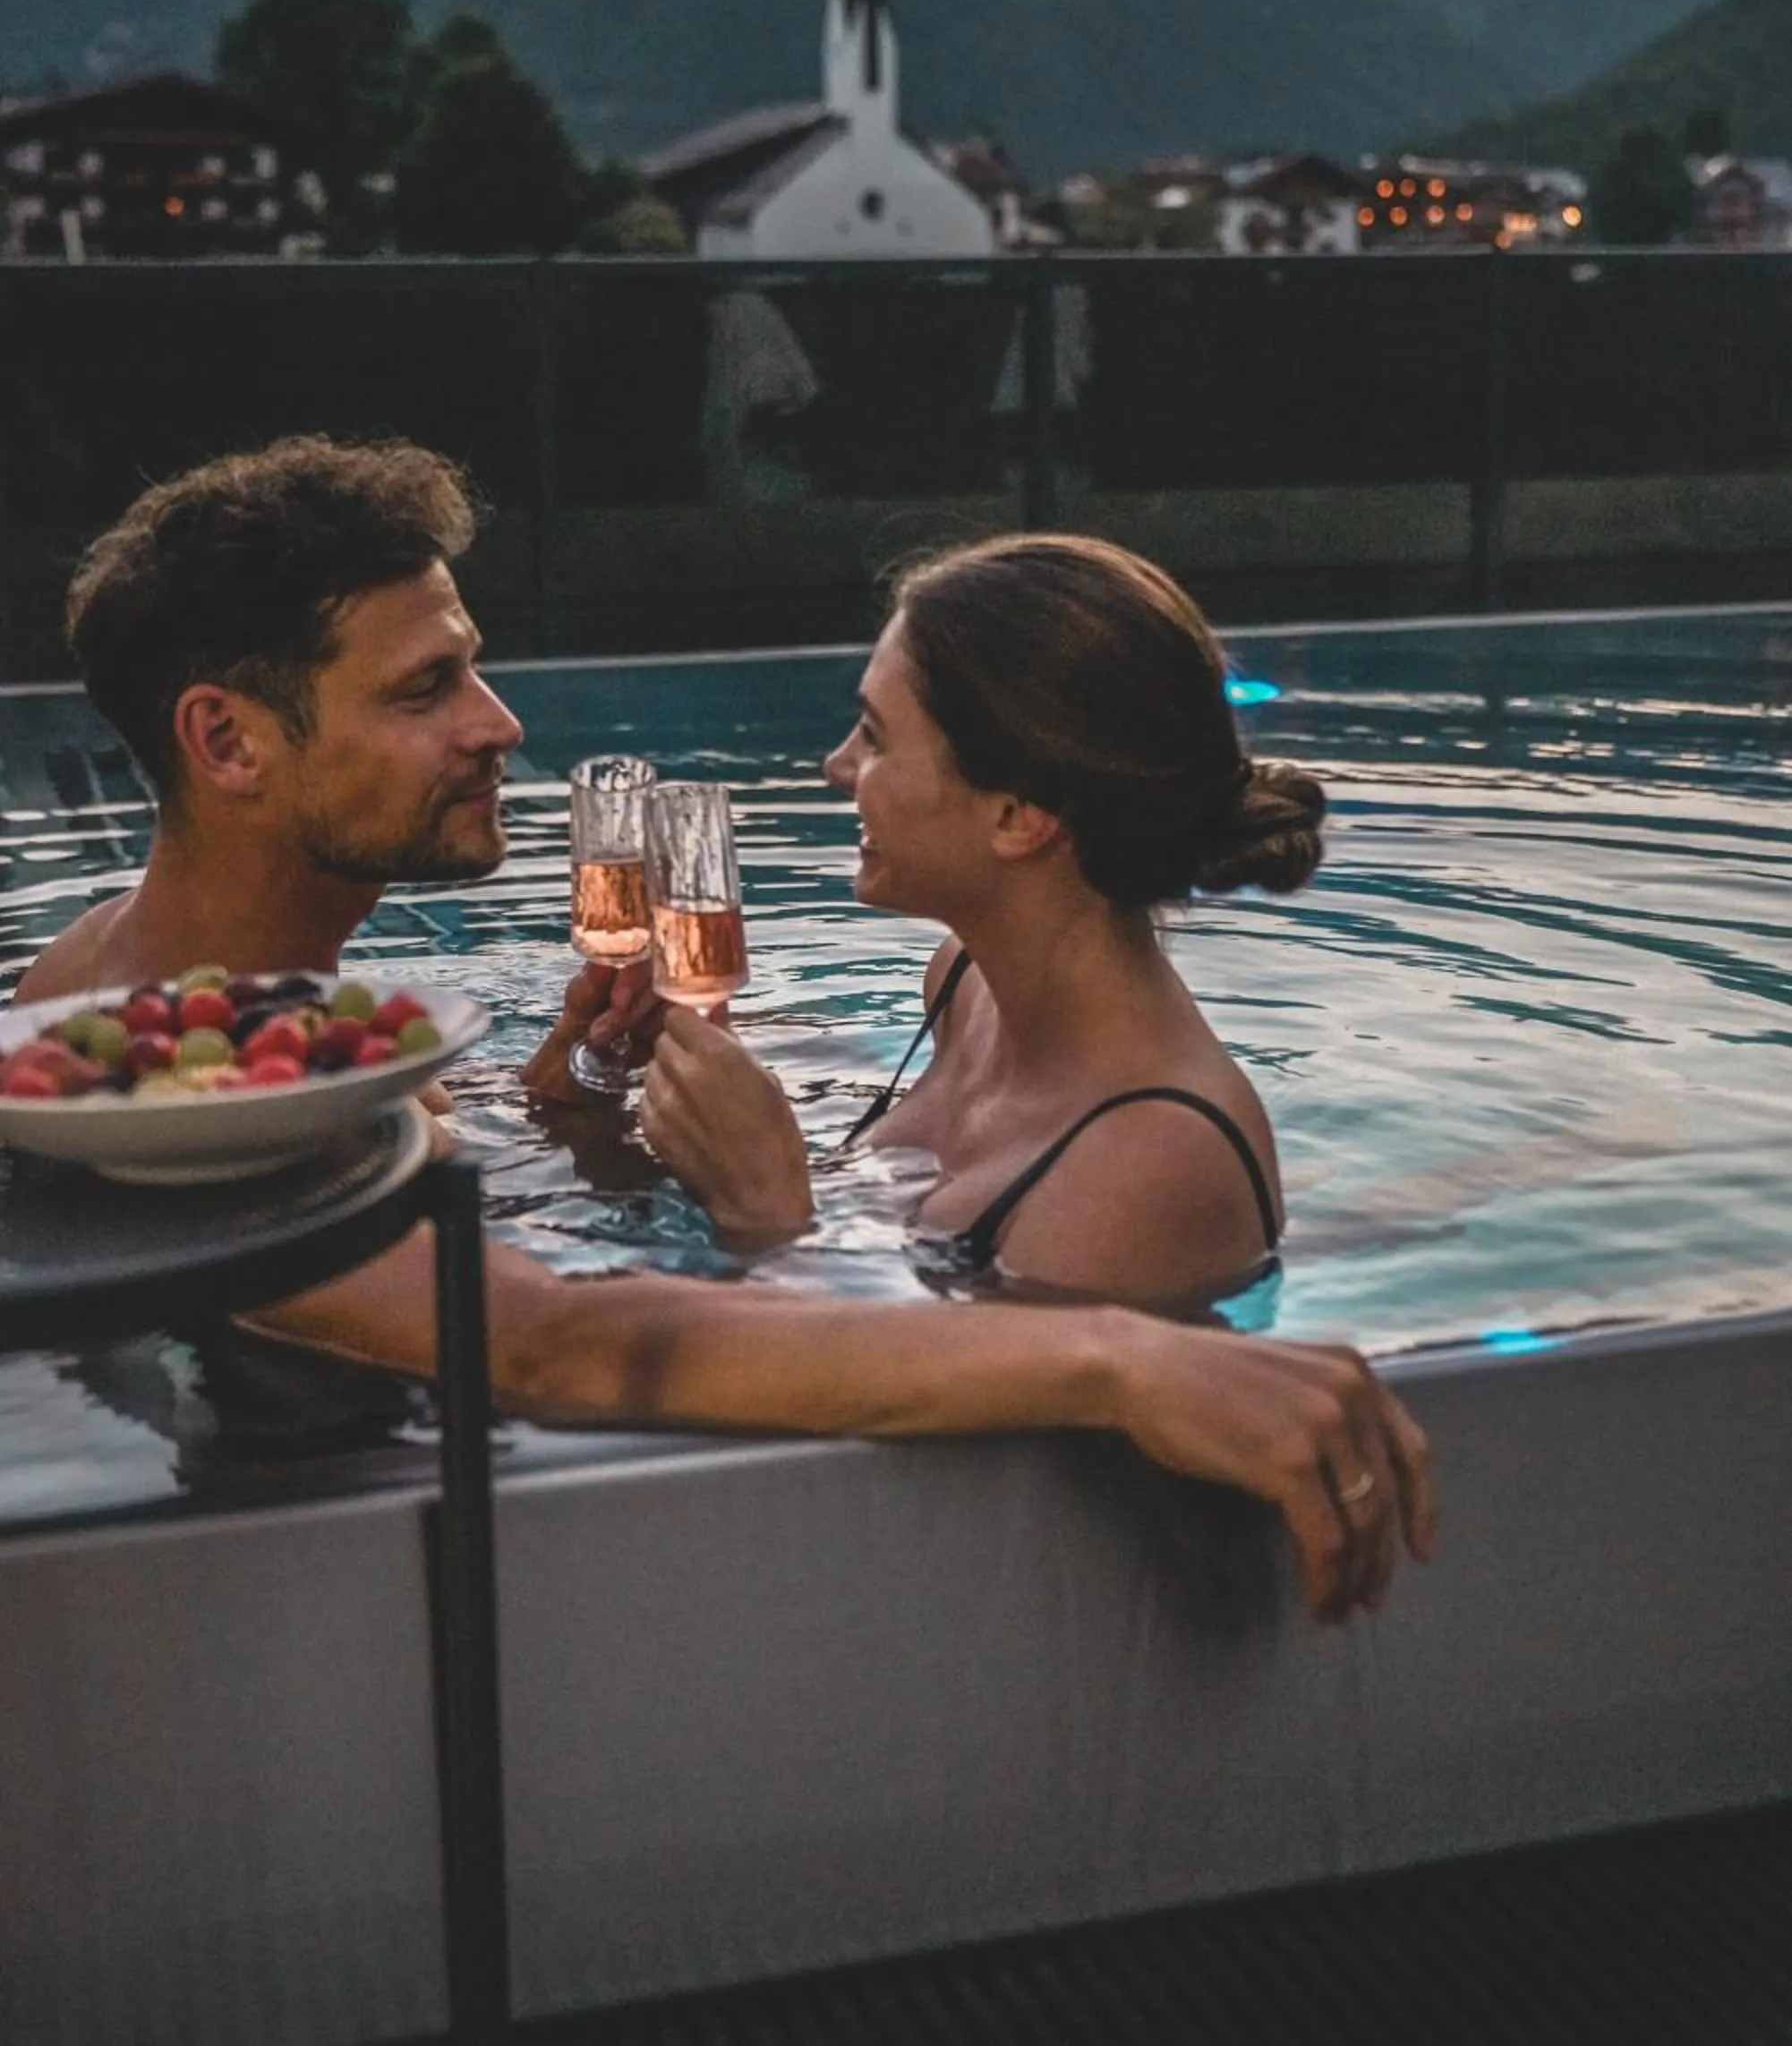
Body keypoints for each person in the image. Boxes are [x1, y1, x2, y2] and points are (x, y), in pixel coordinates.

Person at [12, 437, 1434, 1620]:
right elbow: (569, 1348)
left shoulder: (230, 1022)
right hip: (301, 1615)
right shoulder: (162, 1089)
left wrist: (562, 1104)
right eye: (424, 687)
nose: (499, 724)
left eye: (472, 666)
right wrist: (1123, 1358)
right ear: (228, 742)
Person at [580, 536, 1319, 1309]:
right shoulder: (965, 987)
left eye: (874, 737)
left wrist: (769, 1215)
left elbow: (950, 1419)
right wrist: (612, 1081)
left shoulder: (1153, 1162)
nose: (835, 767)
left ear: (1016, 816)